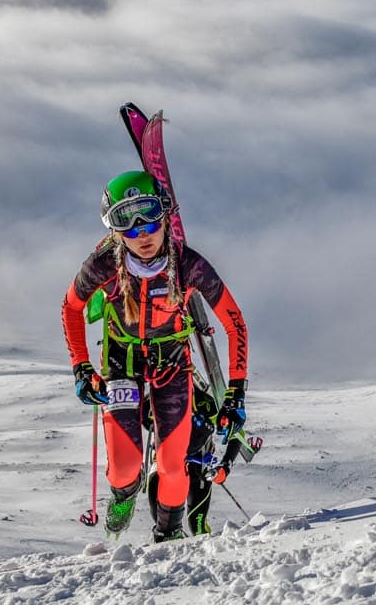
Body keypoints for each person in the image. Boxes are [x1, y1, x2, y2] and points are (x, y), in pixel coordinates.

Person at [61, 171, 250, 541]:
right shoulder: (102, 265)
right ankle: (123, 494)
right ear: (114, 230)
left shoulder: (188, 265)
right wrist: (81, 367)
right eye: (126, 224)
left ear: (164, 213)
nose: (141, 233)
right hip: (122, 362)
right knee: (124, 469)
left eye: (147, 216)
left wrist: (236, 393)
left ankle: (168, 534)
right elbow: (71, 308)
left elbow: (234, 323)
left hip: (172, 364)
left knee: (172, 465)